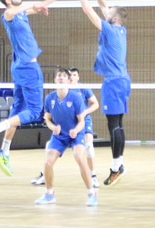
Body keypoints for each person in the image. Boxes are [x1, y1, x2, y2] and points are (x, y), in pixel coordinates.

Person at [0, 0, 67, 175]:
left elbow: (35, 7)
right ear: (8, 0)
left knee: (17, 111)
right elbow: (19, 9)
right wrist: (34, 5)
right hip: (28, 68)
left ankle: (4, 151)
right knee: (35, 112)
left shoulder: (21, 13)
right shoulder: (8, 14)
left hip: (19, 67)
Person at [75, 0, 131, 186]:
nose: (105, 11)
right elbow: (102, 4)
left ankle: (117, 168)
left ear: (113, 18)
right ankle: (118, 165)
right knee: (118, 124)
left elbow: (88, 9)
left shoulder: (109, 29)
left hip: (114, 82)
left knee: (114, 125)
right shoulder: (121, 29)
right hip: (122, 80)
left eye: (109, 12)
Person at [34, 68, 97, 207]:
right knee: (47, 163)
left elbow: (82, 121)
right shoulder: (49, 98)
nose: (61, 77)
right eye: (59, 76)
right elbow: (47, 119)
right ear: (55, 80)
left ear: (69, 81)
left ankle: (92, 193)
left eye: (64, 76)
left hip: (76, 133)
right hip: (59, 135)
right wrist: (53, 127)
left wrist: (76, 130)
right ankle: (49, 194)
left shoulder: (76, 98)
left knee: (80, 157)